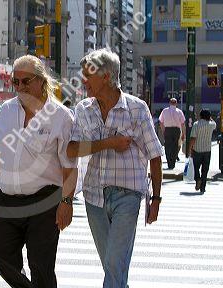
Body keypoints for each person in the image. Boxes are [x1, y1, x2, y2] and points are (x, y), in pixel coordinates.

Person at [0, 55, 78, 288]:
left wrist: (67, 202)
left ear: (41, 81)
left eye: (26, 81)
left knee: (41, 265)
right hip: (8, 199)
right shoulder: (7, 110)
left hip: (45, 201)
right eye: (15, 82)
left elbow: (70, 166)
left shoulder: (61, 116)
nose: (20, 87)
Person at [67, 49, 163, 288]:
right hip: (93, 196)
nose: (83, 81)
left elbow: (155, 154)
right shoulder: (83, 109)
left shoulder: (137, 109)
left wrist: (157, 199)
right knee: (113, 266)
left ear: (107, 76)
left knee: (113, 264)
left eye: (88, 74)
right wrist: (109, 143)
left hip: (127, 195)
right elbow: (72, 150)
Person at [188, 109, 216, 193]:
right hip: (207, 150)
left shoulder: (196, 124)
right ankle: (203, 187)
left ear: (200, 116)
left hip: (197, 150)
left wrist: (189, 149)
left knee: (196, 168)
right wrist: (210, 118)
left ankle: (198, 180)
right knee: (205, 169)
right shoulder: (212, 124)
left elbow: (193, 138)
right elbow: (214, 122)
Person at [159, 98, 185, 169]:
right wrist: (183, 133)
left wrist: (163, 130)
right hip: (176, 130)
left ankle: (169, 163)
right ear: (176, 103)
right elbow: (183, 123)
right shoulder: (179, 111)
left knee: (167, 147)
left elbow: (161, 122)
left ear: (169, 103)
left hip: (167, 130)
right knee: (175, 147)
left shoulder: (165, 111)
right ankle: (172, 163)